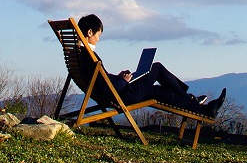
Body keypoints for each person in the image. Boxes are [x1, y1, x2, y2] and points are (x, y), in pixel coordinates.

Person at [77, 13, 226, 117]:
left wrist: (119, 77)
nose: (98, 39)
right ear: (90, 32)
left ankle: (204, 109)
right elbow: (104, 86)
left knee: (158, 91)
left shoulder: (81, 55)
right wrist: (123, 81)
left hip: (116, 92)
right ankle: (192, 100)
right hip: (121, 96)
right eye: (98, 35)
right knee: (157, 68)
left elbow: (101, 80)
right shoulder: (89, 56)